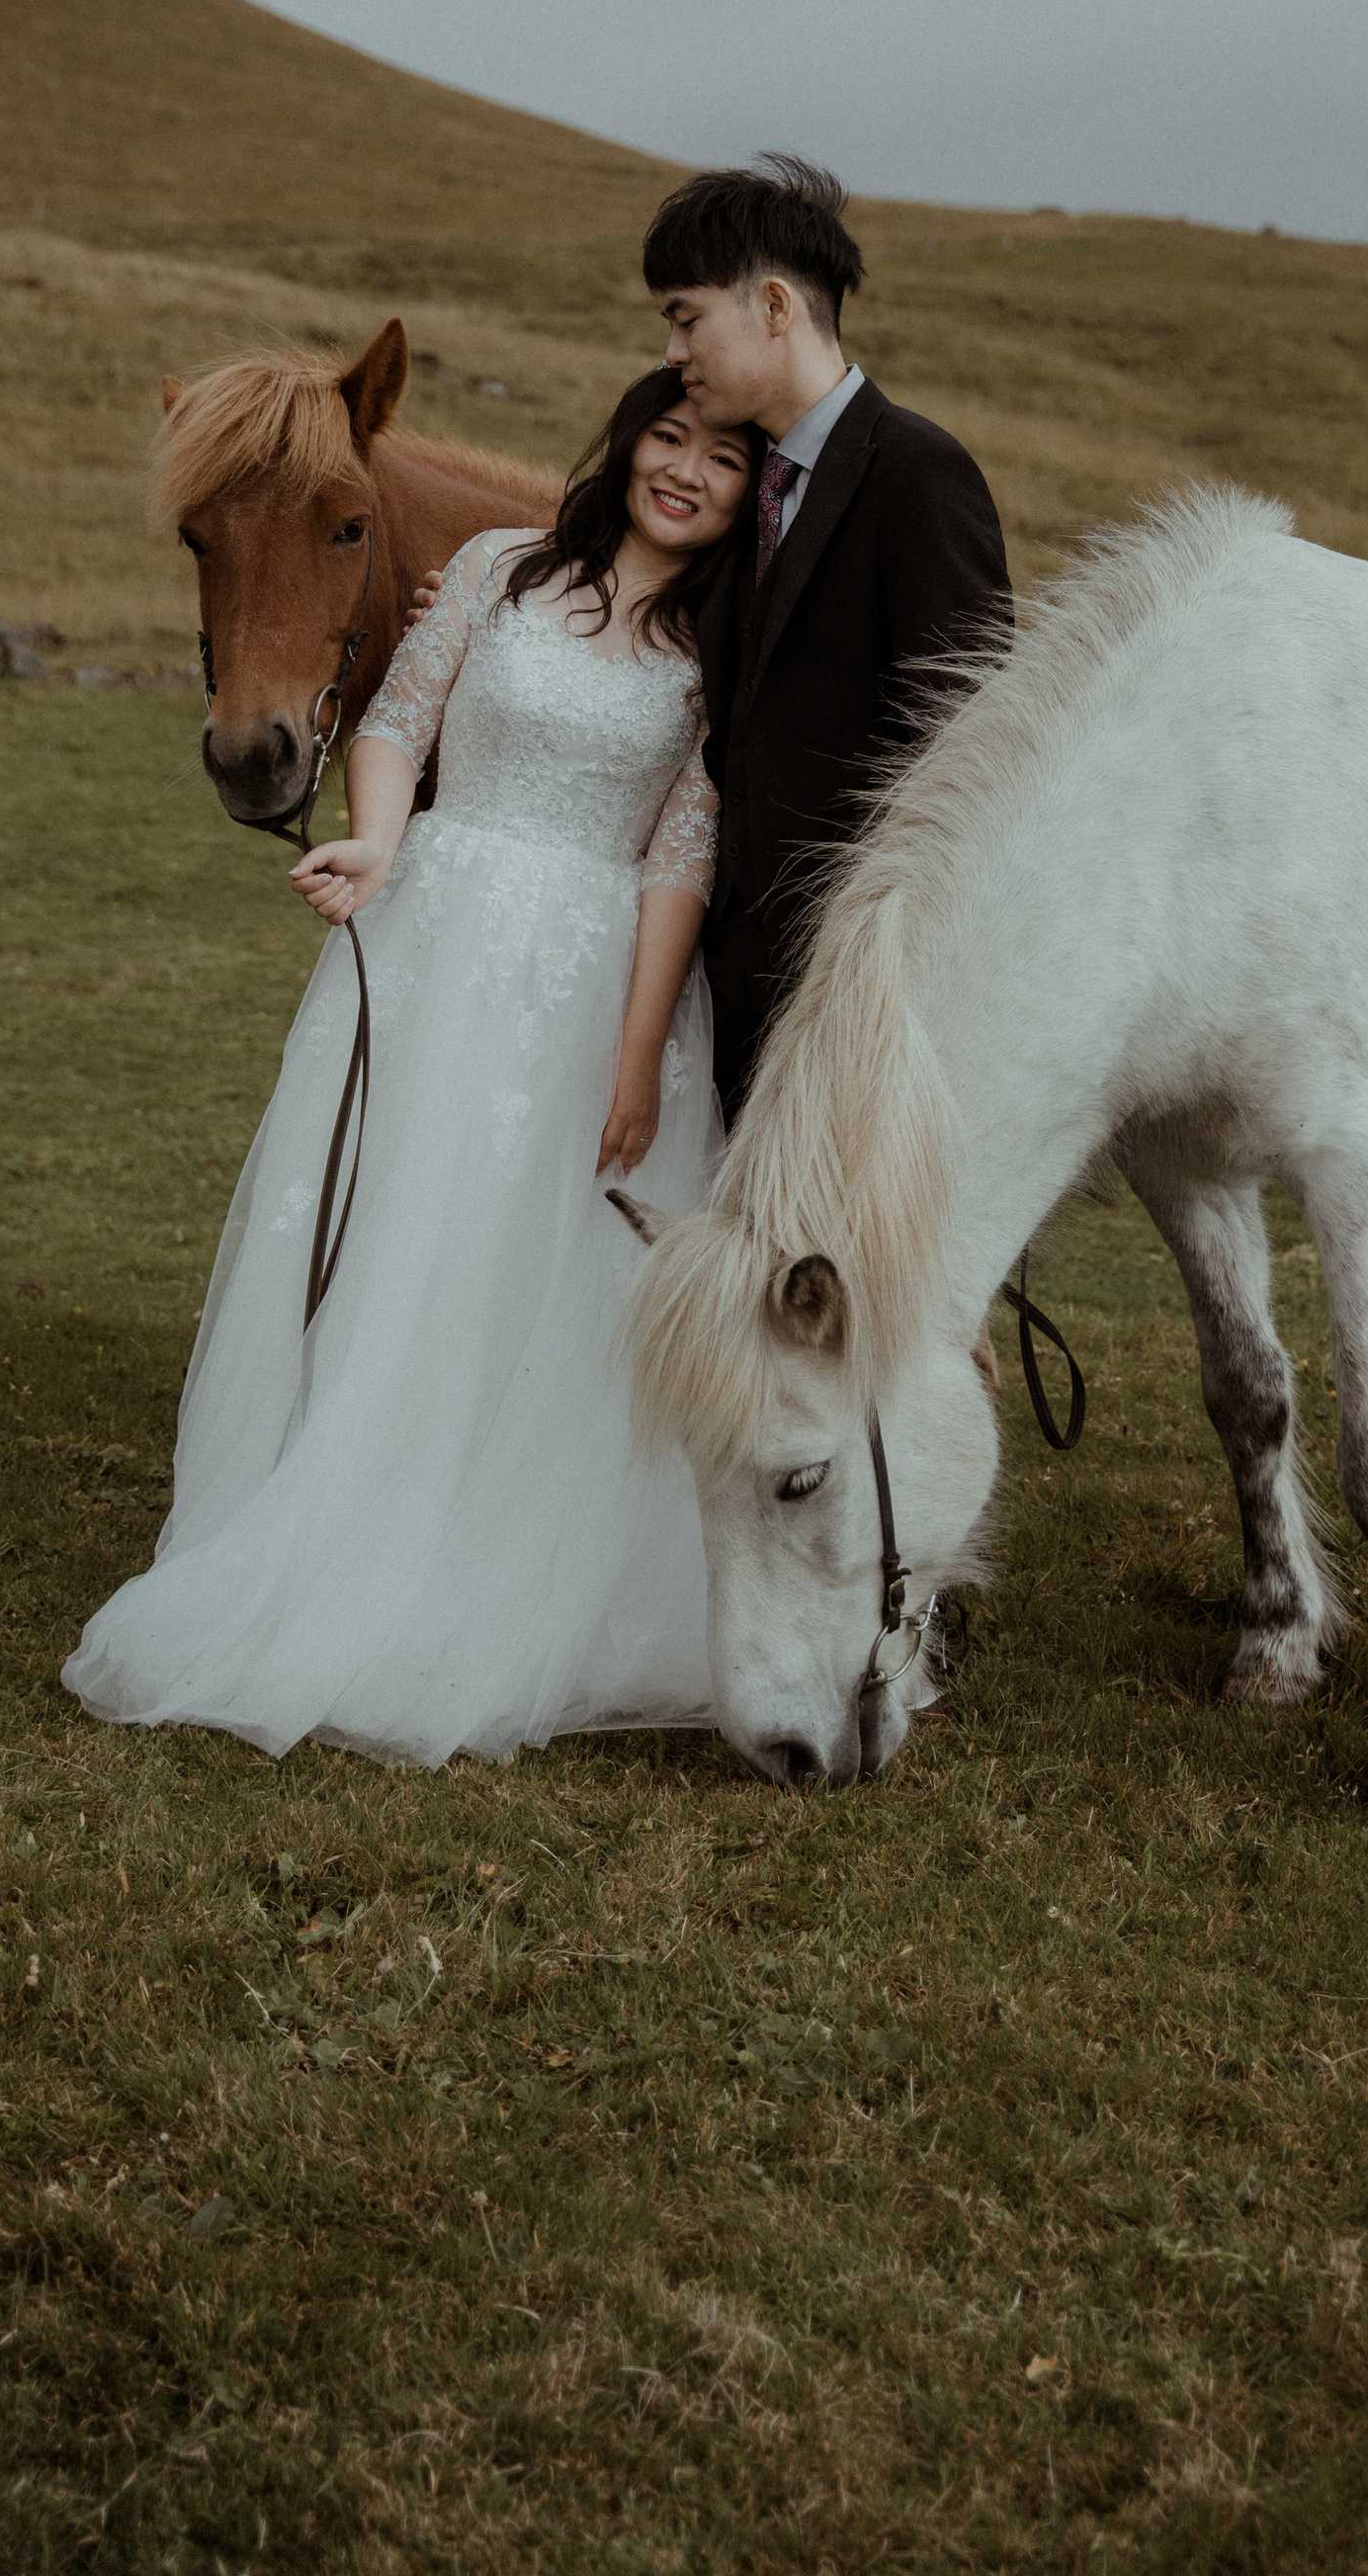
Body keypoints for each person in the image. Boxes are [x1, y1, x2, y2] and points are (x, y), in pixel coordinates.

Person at [60, 372, 760, 1764]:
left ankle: (510, 1566)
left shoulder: (718, 645)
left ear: (751, 491)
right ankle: (345, 1531)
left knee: (543, 1268)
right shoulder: (501, 568)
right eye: (667, 440)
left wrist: (636, 1051)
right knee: (399, 1241)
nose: (685, 472)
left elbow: (685, 847)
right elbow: (396, 722)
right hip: (439, 934)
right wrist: (380, 845)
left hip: (586, 973)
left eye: (723, 460)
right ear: (626, 444)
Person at [644, 155, 1013, 1119]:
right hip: (733, 988)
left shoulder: (918, 474)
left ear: (773, 305)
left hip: (865, 1002)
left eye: (685, 318)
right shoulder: (740, 481)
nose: (674, 353)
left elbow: (972, 747)